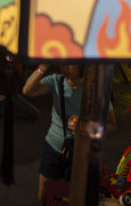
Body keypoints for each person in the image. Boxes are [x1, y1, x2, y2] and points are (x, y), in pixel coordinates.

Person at [22, 64, 116, 204]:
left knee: (74, 197)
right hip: (54, 146)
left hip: (81, 152)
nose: (64, 69)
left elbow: (112, 124)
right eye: (62, 64)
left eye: (69, 64)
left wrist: (89, 130)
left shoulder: (96, 90)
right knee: (44, 195)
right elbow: (27, 91)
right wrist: (43, 67)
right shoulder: (57, 81)